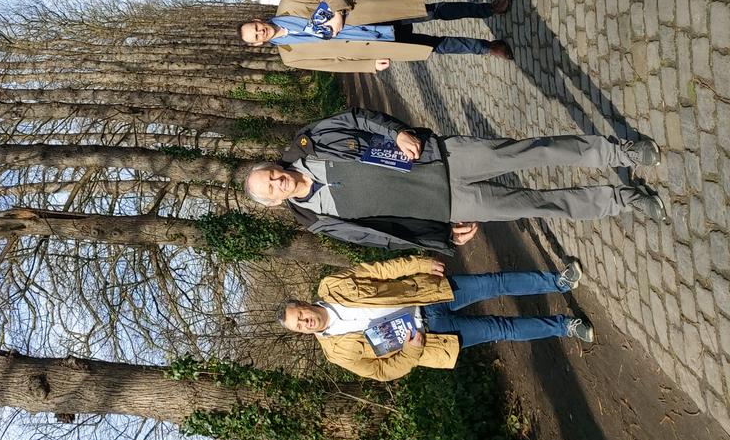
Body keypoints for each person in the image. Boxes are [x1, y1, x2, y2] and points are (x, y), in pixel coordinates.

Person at [243, 108, 667, 254]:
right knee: (538, 203)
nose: (278, 181)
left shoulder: (311, 142)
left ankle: (619, 152)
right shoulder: (317, 221)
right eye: (272, 189)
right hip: (450, 208)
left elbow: (356, 118)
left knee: (533, 151)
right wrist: (441, 237)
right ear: (274, 203)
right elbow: (385, 237)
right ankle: (624, 199)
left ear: (271, 164)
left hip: (445, 158)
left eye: (271, 175)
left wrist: (396, 133)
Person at [276, 256, 593, 381]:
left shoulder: (331, 286)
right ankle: (565, 326)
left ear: (303, 303)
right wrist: (413, 350)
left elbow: (378, 272)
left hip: (426, 294)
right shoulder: (336, 353)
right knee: (502, 328)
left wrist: (419, 264)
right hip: (431, 338)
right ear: (301, 333)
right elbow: (381, 371)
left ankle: (558, 281)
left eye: (300, 315)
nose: (305, 322)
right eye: (299, 326)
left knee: (493, 283)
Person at [239, 0, 513, 73]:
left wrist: (336, 13)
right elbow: (334, 64)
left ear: (257, 20)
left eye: (256, 27)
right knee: (435, 46)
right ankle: (488, 47)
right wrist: (370, 65)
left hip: (373, 15)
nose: (260, 32)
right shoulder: (290, 56)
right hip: (375, 44)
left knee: (434, 11)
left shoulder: (288, 4)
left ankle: (488, 9)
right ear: (256, 45)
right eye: (255, 36)